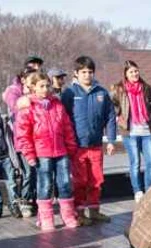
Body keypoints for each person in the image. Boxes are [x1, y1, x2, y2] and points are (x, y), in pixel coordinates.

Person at [15, 72, 79, 231]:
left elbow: (67, 128)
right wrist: (29, 154)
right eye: (41, 86)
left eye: (47, 85)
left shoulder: (57, 104)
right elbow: (23, 133)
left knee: (64, 183)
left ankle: (68, 215)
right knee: (45, 185)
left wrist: (71, 147)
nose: (45, 89)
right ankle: (45, 217)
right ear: (33, 88)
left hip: (60, 151)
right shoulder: (28, 107)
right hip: (42, 152)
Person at [61, 56, 117, 224]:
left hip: (96, 145)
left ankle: (94, 210)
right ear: (76, 73)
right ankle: (79, 213)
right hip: (77, 146)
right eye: (83, 72)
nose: (87, 75)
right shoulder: (70, 93)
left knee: (96, 179)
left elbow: (110, 116)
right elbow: (64, 118)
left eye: (90, 72)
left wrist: (111, 140)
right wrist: (68, 142)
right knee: (80, 181)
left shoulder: (101, 92)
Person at [110, 60, 151, 203]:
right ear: (125, 74)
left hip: (146, 130)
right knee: (135, 162)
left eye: (136, 71)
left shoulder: (146, 87)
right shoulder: (119, 89)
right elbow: (111, 104)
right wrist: (118, 115)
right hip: (130, 132)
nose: (134, 74)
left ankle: (149, 190)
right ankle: (137, 191)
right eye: (131, 72)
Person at [3, 66, 38, 218]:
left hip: (39, 138)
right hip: (22, 139)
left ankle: (34, 200)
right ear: (23, 79)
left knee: (37, 172)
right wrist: (30, 97)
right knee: (28, 172)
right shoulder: (14, 90)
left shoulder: (37, 89)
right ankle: (24, 200)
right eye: (31, 78)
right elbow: (15, 105)